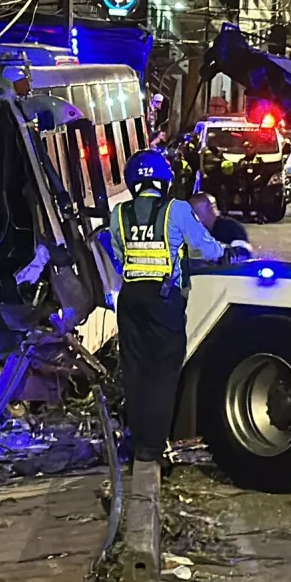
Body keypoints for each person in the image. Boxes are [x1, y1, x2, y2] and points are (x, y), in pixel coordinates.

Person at [109, 151, 226, 486]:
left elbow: (118, 254)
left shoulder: (120, 214)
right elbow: (204, 246)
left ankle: (137, 441)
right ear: (164, 180)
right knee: (163, 371)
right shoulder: (176, 210)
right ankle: (152, 448)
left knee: (135, 370)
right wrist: (225, 252)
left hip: (130, 299)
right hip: (164, 300)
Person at [189, 192, 253, 262]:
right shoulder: (198, 232)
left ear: (209, 209)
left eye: (195, 211)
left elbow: (243, 254)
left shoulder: (232, 229)